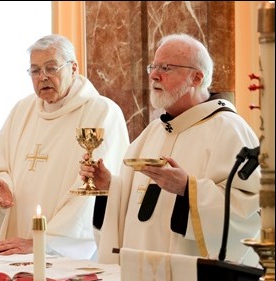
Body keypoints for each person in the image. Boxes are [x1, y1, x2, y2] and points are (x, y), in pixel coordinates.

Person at [79, 33, 261, 266]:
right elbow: (135, 201)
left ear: (196, 77)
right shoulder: (154, 131)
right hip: (140, 267)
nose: (154, 75)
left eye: (165, 68)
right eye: (152, 67)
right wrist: (109, 187)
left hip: (192, 276)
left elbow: (250, 210)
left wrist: (188, 188)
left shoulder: (230, 129)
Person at [0, 34, 129, 259]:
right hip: (17, 246)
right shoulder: (22, 110)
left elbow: (93, 190)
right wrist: (2, 189)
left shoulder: (102, 112)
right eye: (35, 70)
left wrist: (44, 242)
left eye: (51, 68)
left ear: (74, 68)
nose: (43, 77)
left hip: (69, 254)